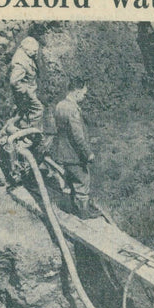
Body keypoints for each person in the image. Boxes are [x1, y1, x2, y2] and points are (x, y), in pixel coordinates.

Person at [49, 82, 101, 219]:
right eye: (83, 93)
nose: (84, 97)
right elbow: (77, 136)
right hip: (74, 154)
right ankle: (83, 212)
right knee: (82, 181)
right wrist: (88, 153)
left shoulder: (60, 105)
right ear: (77, 91)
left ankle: (73, 207)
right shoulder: (73, 109)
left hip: (63, 152)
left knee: (71, 180)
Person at [9, 36, 44, 128]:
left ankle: (14, 127)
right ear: (26, 48)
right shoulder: (20, 61)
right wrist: (25, 91)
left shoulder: (26, 55)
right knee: (38, 110)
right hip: (26, 94)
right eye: (34, 51)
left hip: (30, 91)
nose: (35, 53)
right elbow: (14, 81)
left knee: (21, 113)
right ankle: (25, 130)